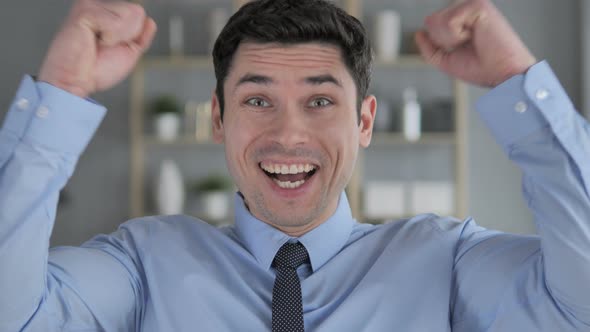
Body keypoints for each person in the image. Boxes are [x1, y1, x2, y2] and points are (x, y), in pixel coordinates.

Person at [0, 0, 588, 330]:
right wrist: (62, 91)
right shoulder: (142, 263)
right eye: (258, 100)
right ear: (219, 119)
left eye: (321, 101)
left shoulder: (446, 261)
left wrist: (519, 83)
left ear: (364, 122)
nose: (288, 133)